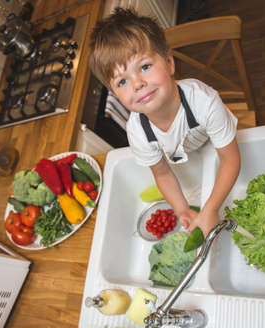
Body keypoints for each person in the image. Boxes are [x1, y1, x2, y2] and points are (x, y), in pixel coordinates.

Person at [89, 8, 241, 237]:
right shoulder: (137, 132)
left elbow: (230, 159)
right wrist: (182, 209)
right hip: (195, 157)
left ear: (169, 63)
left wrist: (210, 208)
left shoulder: (203, 101)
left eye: (145, 67)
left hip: (225, 143)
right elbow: (162, 174)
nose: (137, 84)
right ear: (115, 95)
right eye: (122, 81)